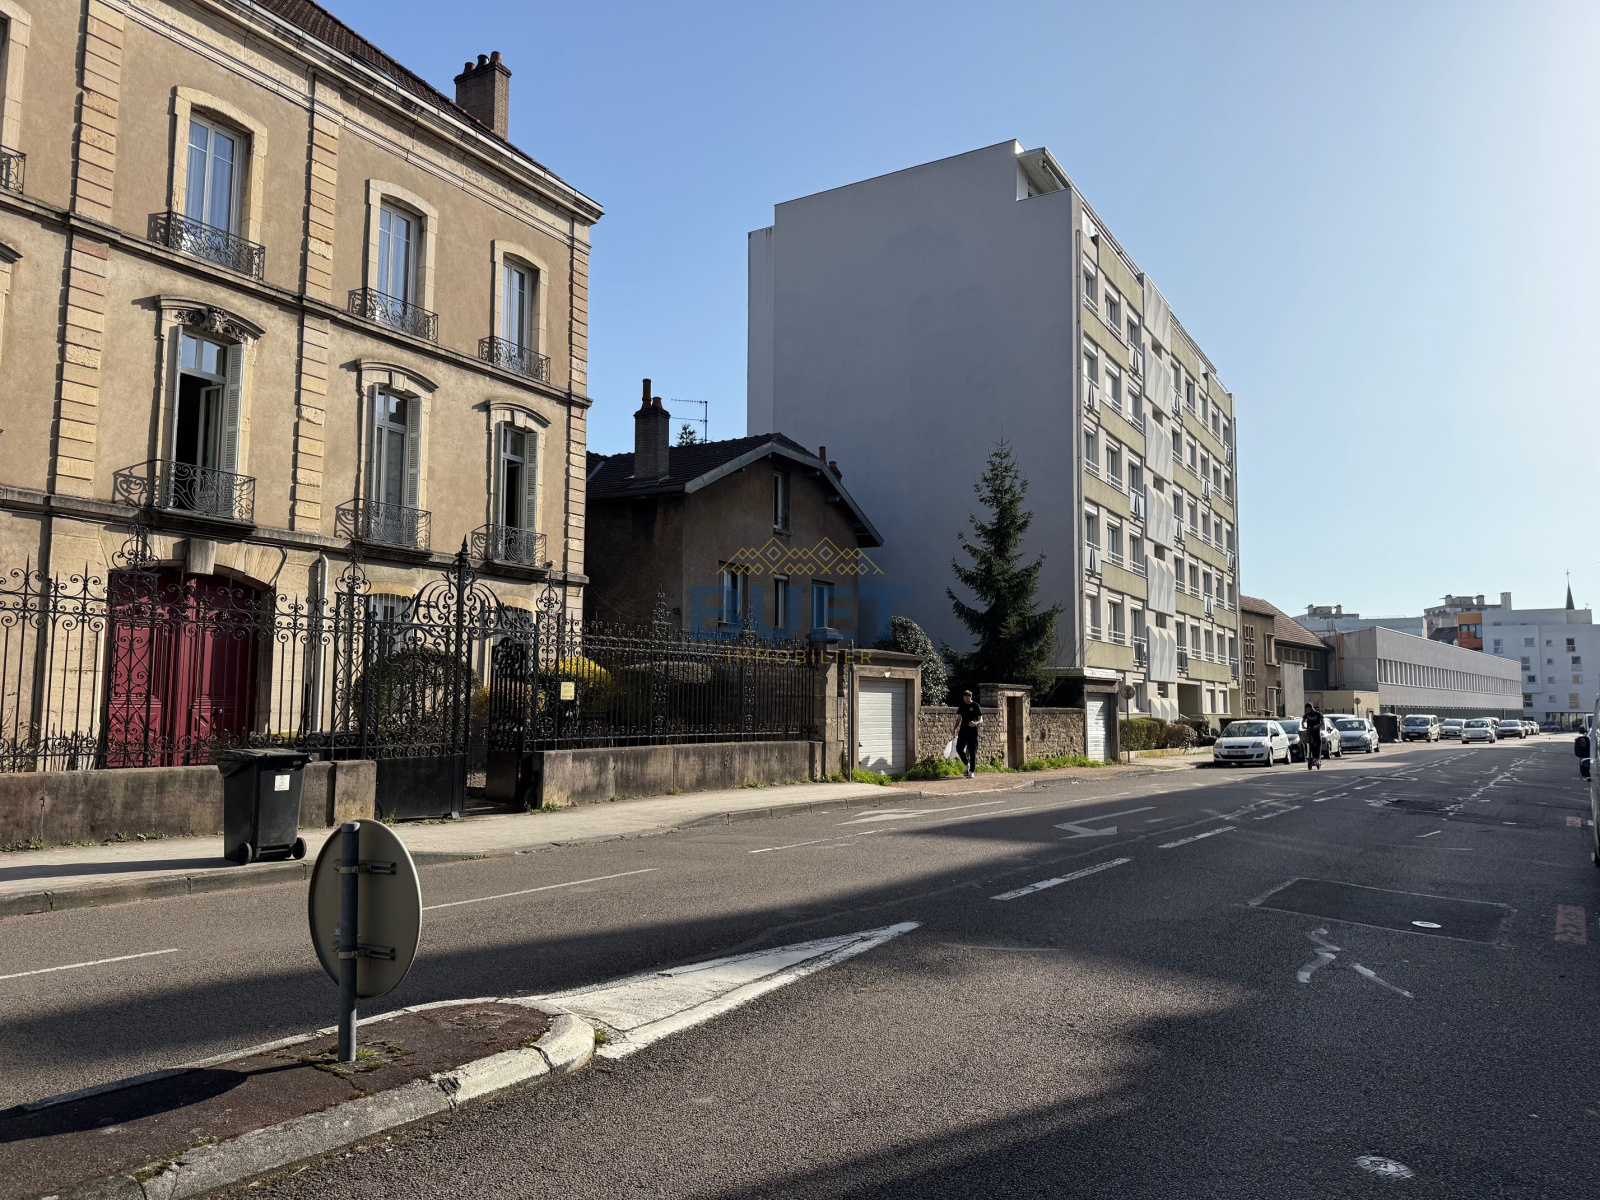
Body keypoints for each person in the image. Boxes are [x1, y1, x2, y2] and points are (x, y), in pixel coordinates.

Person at [953, 689, 983, 778]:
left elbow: (981, 719)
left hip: (972, 731)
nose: (966, 700)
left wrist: (976, 723)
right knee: (959, 749)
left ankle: (972, 771)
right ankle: (967, 765)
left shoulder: (975, 706)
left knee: (972, 751)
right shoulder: (962, 705)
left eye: (967, 698)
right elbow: (959, 718)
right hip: (963, 730)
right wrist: (954, 728)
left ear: (971, 697)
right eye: (965, 698)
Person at [1303, 701, 1323, 770]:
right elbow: (1303, 721)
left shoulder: (1318, 714)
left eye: (1307, 709)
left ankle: (1317, 758)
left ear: (1311, 708)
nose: (1307, 711)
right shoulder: (1307, 715)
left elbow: (1322, 722)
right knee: (1311, 746)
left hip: (1316, 731)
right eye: (1306, 709)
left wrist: (1316, 726)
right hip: (1310, 732)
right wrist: (1303, 725)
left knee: (1318, 744)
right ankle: (1312, 757)